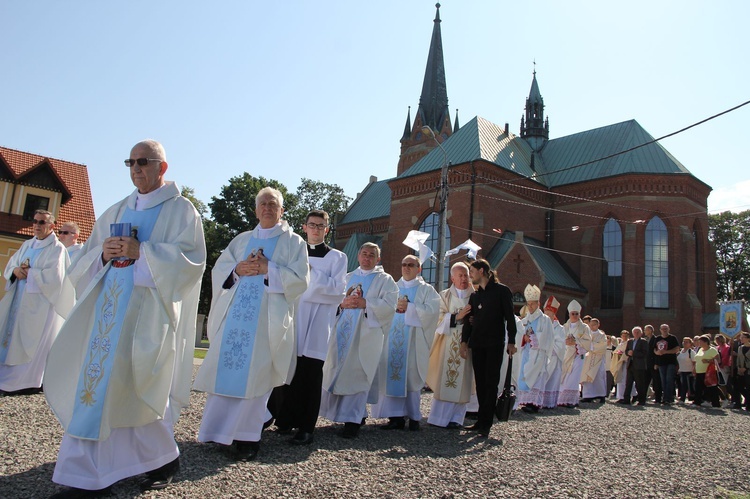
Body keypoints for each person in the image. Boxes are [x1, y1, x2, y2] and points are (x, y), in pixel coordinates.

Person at [44, 140, 206, 496]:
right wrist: (103, 255)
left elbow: (191, 263)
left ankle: (162, 458)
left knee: (137, 390)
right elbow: (85, 260)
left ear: (162, 167)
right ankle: (86, 474)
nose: (136, 168)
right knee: (101, 389)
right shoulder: (117, 209)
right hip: (106, 317)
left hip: (146, 317)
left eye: (143, 161)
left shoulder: (181, 211)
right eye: (130, 162)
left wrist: (142, 252)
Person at [193, 187, 308, 460]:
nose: (267, 208)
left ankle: (247, 439)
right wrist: (237, 270)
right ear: (256, 210)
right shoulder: (242, 240)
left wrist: (271, 269)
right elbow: (219, 270)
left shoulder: (294, 243)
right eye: (263, 204)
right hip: (234, 320)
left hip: (265, 323)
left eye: (273, 204)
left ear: (282, 210)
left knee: (256, 378)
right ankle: (218, 432)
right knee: (226, 371)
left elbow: (301, 281)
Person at [270, 210, 347, 446]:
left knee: (311, 373)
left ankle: (306, 428)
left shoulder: (337, 257)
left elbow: (337, 291)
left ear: (327, 229)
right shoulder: (293, 254)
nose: (315, 229)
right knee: (286, 370)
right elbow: (281, 281)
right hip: (293, 317)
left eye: (320, 226)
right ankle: (284, 420)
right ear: (304, 227)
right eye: (312, 225)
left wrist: (310, 276)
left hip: (317, 323)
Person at [320, 242, 398, 438]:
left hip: (365, 336)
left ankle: (352, 421)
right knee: (337, 372)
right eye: (364, 253)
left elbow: (390, 306)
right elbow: (333, 300)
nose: (367, 257)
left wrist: (367, 304)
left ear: (378, 259)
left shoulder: (385, 280)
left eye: (372, 255)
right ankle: (345, 414)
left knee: (358, 374)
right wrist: (342, 303)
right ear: (358, 256)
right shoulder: (347, 277)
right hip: (341, 334)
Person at [0, 210, 73, 395]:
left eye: (42, 222)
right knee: (10, 337)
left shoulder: (57, 249)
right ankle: (5, 377)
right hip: (19, 299)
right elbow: (11, 265)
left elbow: (56, 279)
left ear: (51, 226)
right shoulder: (26, 245)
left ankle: (26, 381)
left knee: (31, 341)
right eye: (34, 221)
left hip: (40, 306)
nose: (37, 225)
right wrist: (15, 271)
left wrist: (31, 274)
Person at [371, 255, 439, 430]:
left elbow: (432, 314)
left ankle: (414, 417)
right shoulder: (393, 288)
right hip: (392, 340)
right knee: (392, 375)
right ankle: (395, 417)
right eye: (404, 264)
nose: (406, 268)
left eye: (411, 265)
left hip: (414, 342)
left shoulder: (427, 290)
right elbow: (382, 309)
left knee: (411, 376)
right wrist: (395, 308)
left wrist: (410, 307)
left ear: (419, 269)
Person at [459, 259, 517, 437]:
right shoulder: (475, 296)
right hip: (477, 344)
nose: (470, 276)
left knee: (491, 383)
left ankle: (487, 423)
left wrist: (512, 341)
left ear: (482, 271)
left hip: (494, 344)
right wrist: (464, 341)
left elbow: (510, 317)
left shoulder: (502, 291)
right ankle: (480, 420)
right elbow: (469, 320)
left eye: (472, 272)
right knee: (481, 383)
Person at [427, 262, 473, 429]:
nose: (463, 278)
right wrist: (456, 317)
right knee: (445, 379)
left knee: (464, 381)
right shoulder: (444, 296)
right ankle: (438, 418)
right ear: (452, 278)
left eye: (466, 275)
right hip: (447, 342)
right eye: (460, 275)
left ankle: (456, 419)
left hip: (468, 345)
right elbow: (437, 319)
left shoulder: (475, 295)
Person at [515, 284, 554, 413]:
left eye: (533, 304)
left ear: (538, 303)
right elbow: (519, 333)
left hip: (538, 354)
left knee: (536, 378)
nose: (530, 307)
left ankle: (534, 403)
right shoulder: (525, 320)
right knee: (524, 375)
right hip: (526, 353)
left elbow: (547, 337)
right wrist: (523, 338)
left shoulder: (545, 320)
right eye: (528, 304)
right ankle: (525, 400)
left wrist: (531, 339)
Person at [558, 300, 591, 408]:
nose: (575, 315)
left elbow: (588, 341)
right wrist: (565, 341)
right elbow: (559, 339)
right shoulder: (565, 326)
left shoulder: (584, 327)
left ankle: (571, 400)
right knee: (565, 376)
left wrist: (576, 342)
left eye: (577, 314)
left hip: (577, 355)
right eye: (573, 313)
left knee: (573, 377)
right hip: (566, 354)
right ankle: (562, 399)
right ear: (569, 314)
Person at [541, 296, 566, 408]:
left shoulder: (559, 328)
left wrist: (549, 345)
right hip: (541, 356)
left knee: (551, 378)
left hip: (554, 357)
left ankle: (548, 402)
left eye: (549, 313)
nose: (546, 315)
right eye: (545, 312)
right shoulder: (541, 324)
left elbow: (560, 343)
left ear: (553, 314)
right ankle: (538, 401)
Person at [580, 318, 608, 403]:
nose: (592, 326)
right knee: (587, 377)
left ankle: (601, 395)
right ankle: (588, 396)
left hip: (598, 359)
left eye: (594, 324)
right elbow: (583, 343)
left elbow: (603, 346)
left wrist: (590, 346)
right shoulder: (587, 334)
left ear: (598, 325)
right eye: (591, 325)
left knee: (599, 377)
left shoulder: (602, 335)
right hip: (588, 359)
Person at [619, 326, 649, 406]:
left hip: (639, 366)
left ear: (641, 333)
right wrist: (628, 353)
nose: (636, 333)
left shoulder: (643, 342)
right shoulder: (630, 342)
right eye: (635, 332)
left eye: (637, 332)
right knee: (628, 383)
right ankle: (626, 399)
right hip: (630, 365)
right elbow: (626, 351)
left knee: (639, 384)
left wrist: (634, 353)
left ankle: (641, 400)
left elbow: (645, 353)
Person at [653, 323, 680, 405]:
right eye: (663, 329)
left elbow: (677, 349)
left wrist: (666, 352)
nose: (664, 330)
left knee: (669, 380)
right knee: (663, 380)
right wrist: (657, 353)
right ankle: (665, 397)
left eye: (666, 328)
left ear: (669, 329)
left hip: (670, 362)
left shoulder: (672, 338)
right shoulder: (658, 338)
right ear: (660, 330)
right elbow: (654, 349)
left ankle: (669, 398)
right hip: (661, 362)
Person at [692, 335, 721, 408]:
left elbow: (718, 360)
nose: (699, 343)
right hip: (699, 371)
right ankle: (697, 402)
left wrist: (708, 360)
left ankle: (716, 404)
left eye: (700, 342)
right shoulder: (700, 349)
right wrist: (694, 369)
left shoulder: (712, 350)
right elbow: (697, 360)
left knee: (712, 388)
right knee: (698, 387)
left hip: (708, 372)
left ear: (706, 342)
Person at [611, 330, 634, 401]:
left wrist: (622, 355)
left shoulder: (629, 343)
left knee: (625, 379)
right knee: (620, 379)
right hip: (619, 363)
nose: (624, 337)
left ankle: (631, 394)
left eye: (626, 336)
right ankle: (620, 396)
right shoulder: (621, 343)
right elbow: (616, 351)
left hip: (625, 362)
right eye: (623, 336)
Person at [644, 324, 661, 403]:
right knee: (645, 381)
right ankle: (643, 397)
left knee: (656, 382)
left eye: (646, 330)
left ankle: (658, 398)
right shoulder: (645, 339)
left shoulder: (656, 339)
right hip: (646, 364)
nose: (644, 331)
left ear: (650, 330)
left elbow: (656, 352)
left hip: (653, 363)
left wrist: (656, 363)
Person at [734, 332, 750, 411]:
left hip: (748, 371)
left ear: (748, 339)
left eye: (743, 337)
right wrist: (739, 367)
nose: (741, 339)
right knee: (739, 387)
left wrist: (746, 368)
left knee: (748, 387)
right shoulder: (740, 347)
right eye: (741, 337)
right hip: (740, 370)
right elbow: (738, 359)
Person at [677, 337, 695, 403]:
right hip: (682, 370)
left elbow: (694, 362)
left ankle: (685, 399)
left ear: (690, 344)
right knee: (682, 385)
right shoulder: (681, 351)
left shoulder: (691, 352)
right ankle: (682, 398)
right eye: (684, 342)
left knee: (689, 386)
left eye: (687, 342)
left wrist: (694, 370)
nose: (684, 343)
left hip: (689, 371)